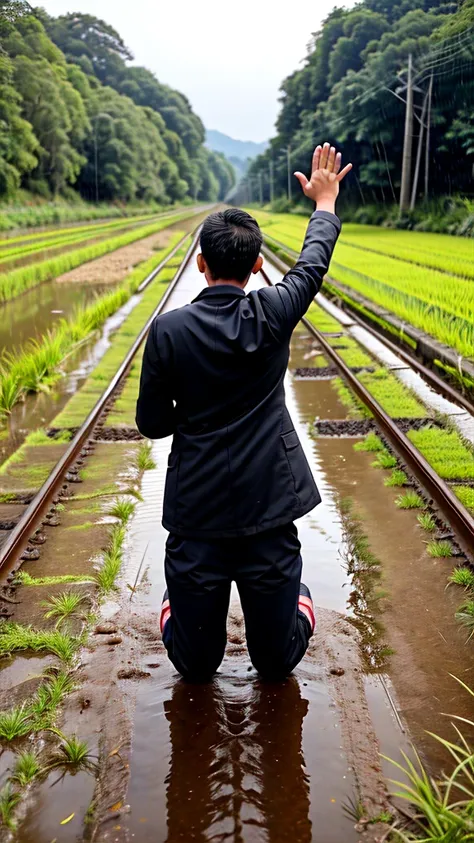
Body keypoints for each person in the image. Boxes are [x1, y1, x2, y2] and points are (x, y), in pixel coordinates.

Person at [136, 142, 352, 682]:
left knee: (232, 665)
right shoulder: (274, 310)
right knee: (208, 665)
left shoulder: (168, 330)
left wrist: (193, 410)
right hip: (262, 507)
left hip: (207, 510)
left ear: (201, 264)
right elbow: (312, 263)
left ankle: (272, 598)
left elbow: (152, 423)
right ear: (258, 267)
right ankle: (192, 604)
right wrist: (324, 203)